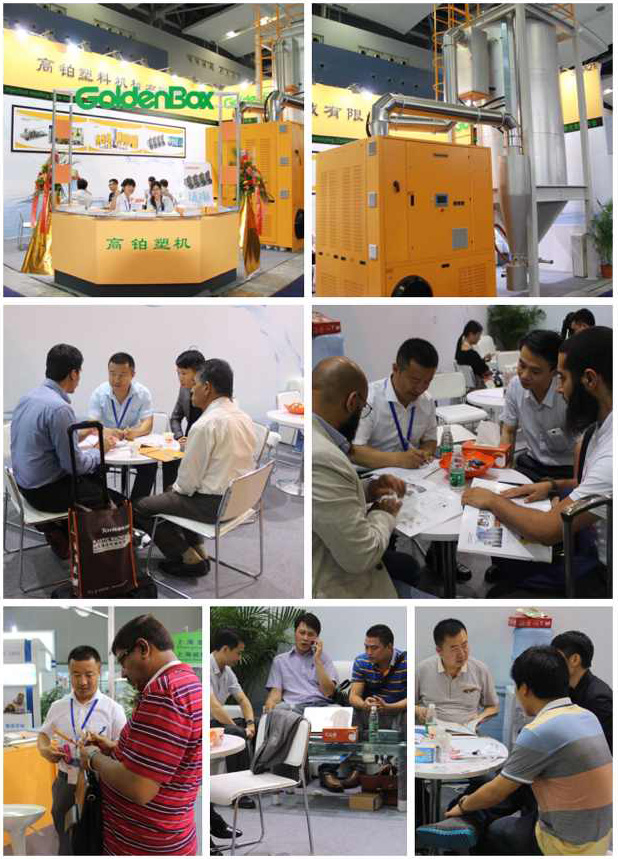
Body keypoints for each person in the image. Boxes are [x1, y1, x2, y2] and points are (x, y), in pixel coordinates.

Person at [421, 646, 612, 856]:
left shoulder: (539, 731)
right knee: (505, 781)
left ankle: (464, 821)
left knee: (498, 828)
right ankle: (466, 822)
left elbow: (497, 792)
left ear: (524, 689)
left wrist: (463, 805)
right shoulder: (586, 716)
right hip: (600, 838)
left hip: (567, 846)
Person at [464, 326, 612, 596]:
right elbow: (585, 486)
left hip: (602, 572)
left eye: (563, 378)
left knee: (499, 594)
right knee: (511, 562)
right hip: (584, 529)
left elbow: (548, 529)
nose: (560, 389)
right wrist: (551, 487)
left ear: (590, 379)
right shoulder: (601, 428)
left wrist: (491, 500)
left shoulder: (610, 454)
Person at [79, 614, 202, 855]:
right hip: (165, 835)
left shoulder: (163, 692)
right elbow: (163, 761)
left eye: (123, 661)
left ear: (143, 648)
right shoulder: (186, 681)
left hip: (145, 844)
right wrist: (114, 748)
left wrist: (93, 757)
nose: (124, 673)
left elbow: (140, 787)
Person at [312, 356, 428, 599]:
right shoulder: (323, 457)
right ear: (352, 402)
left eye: (426, 382)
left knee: (408, 567)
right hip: (337, 579)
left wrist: (368, 488)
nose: (419, 388)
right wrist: (384, 511)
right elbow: (361, 557)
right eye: (362, 409)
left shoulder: (319, 441)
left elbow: (325, 498)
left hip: (339, 545)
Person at [134, 359, 256, 578]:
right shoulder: (244, 418)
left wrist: (172, 491)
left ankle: (187, 557)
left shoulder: (205, 425)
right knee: (173, 495)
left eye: (195, 384)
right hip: (240, 501)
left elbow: (187, 484)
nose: (191, 389)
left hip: (213, 505)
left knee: (140, 506)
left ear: (207, 387)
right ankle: (198, 549)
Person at [10, 344, 117, 558]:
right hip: (44, 492)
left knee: (92, 481)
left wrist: (80, 435)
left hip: (23, 485)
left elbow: (46, 441)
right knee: (111, 496)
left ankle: (60, 532)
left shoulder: (29, 397)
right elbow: (74, 466)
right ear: (73, 373)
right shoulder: (60, 409)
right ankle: (104, 554)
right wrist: (100, 450)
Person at [38, 645, 126, 855]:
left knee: (98, 837)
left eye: (89, 674)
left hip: (100, 785)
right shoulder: (58, 706)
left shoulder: (113, 709)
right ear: (69, 674)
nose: (83, 681)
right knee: (65, 836)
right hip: (65, 782)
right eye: (76, 675)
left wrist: (105, 745)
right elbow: (43, 735)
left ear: (99, 672)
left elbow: (123, 748)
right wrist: (46, 750)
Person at [500, 330, 576, 484]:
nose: (524, 375)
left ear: (554, 371)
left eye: (535, 371)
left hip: (565, 470)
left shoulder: (567, 393)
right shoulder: (515, 386)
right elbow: (508, 430)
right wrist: (504, 468)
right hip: (532, 464)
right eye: (521, 365)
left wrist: (562, 486)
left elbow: (584, 446)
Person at [351, 338, 439, 470]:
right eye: (415, 380)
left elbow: (430, 440)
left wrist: (424, 454)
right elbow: (355, 451)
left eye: (427, 381)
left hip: (412, 473)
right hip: (372, 472)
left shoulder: (427, 400)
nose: (420, 388)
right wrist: (398, 459)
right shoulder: (369, 398)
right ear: (396, 369)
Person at [89, 351, 156, 501]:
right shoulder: (99, 393)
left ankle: (135, 507)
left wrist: (135, 432)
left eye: (122, 375)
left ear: (132, 375)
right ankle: (107, 505)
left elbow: (148, 423)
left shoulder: (142, 393)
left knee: (149, 467)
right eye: (112, 374)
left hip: (132, 444)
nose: (116, 379)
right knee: (93, 467)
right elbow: (92, 424)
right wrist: (108, 431)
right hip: (108, 445)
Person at [415, 619, 499, 729]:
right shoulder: (423, 669)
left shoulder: (480, 670)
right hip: (431, 732)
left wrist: (479, 719)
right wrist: (417, 710)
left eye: (464, 645)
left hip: (467, 732)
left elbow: (493, 706)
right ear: (439, 651)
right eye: (454, 649)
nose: (462, 653)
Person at [210, 628, 256, 824]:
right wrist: (239, 729)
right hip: (203, 723)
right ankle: (238, 792)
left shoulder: (227, 672)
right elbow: (214, 708)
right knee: (236, 732)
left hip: (216, 723)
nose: (239, 658)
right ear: (225, 649)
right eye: (238, 653)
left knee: (254, 725)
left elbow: (243, 700)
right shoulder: (206, 668)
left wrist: (250, 724)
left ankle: (251, 780)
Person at [551, 629, 612, 750]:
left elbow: (603, 748)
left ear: (575, 660)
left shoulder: (598, 699)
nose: (552, 664)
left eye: (556, 658)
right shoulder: (568, 688)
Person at [264, 612, 337, 712]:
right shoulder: (280, 661)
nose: (305, 638)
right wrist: (271, 703)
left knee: (340, 711)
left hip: (321, 707)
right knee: (280, 709)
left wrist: (317, 660)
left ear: (317, 638)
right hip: (293, 707)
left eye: (310, 634)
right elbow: (276, 693)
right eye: (302, 633)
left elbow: (329, 693)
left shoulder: (324, 659)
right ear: (295, 633)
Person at [162, 349, 206, 491]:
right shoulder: (184, 390)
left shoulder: (209, 393)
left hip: (202, 443)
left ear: (198, 374)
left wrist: (193, 441)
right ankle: (168, 495)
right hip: (186, 440)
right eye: (178, 373)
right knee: (168, 459)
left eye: (184, 373)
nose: (180, 378)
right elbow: (175, 418)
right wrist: (179, 436)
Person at [349, 624, 407, 728]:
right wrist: (364, 705)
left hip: (398, 712)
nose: (369, 652)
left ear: (389, 647)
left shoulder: (406, 662)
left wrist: (389, 707)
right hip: (370, 712)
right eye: (366, 647)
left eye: (374, 648)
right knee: (352, 714)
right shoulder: (361, 662)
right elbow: (354, 696)